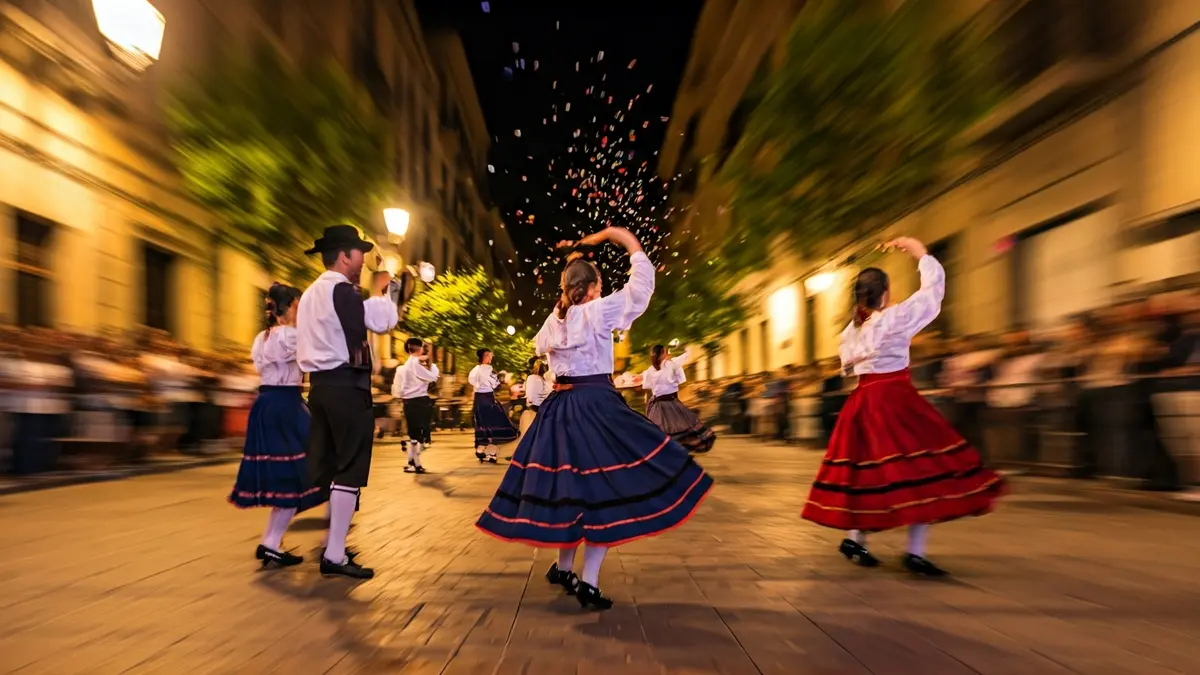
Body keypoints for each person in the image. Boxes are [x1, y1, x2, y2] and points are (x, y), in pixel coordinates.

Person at [476, 226, 713, 610]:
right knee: (606, 492)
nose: (603, 290)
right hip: (596, 406)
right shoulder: (597, 311)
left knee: (571, 490)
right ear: (590, 289)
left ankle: (563, 568)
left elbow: (544, 340)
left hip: (559, 409)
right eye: (600, 285)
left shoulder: (554, 321)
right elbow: (641, 288)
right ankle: (587, 581)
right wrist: (622, 238)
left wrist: (571, 279)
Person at [801, 237, 1004, 577]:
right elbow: (932, 292)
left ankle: (856, 540)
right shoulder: (895, 317)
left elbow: (848, 367)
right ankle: (915, 552)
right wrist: (919, 251)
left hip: (862, 403)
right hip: (895, 400)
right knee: (919, 471)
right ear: (885, 292)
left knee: (866, 473)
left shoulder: (850, 330)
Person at [297, 225, 398, 580]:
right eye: (359, 253)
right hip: (345, 385)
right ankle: (335, 553)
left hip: (320, 388)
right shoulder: (342, 292)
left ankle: (332, 543)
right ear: (344, 256)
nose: (363, 259)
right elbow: (384, 320)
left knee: (333, 467)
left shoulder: (310, 294)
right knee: (350, 467)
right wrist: (389, 289)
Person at [229, 283, 325, 567]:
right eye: (300, 303)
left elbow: (263, 367)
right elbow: (315, 359)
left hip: (268, 404)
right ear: (293, 304)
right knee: (301, 473)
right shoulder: (292, 336)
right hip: (285, 406)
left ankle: (270, 541)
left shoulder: (262, 337)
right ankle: (273, 542)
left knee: (291, 476)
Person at [643, 345, 716, 453]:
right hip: (668, 404)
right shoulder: (671, 365)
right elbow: (684, 359)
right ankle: (671, 451)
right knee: (677, 427)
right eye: (665, 352)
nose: (668, 353)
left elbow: (647, 385)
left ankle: (665, 452)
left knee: (662, 430)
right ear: (662, 354)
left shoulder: (652, 369)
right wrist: (686, 350)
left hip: (659, 405)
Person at [392, 337, 439, 474]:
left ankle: (412, 462)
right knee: (420, 434)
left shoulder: (405, 366)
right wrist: (434, 367)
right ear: (419, 349)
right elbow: (432, 377)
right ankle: (415, 463)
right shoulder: (415, 365)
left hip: (409, 401)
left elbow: (398, 389)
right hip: (419, 401)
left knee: (414, 432)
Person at [468, 348, 519, 463]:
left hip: (479, 399)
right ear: (484, 357)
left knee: (481, 425)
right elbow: (495, 383)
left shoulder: (474, 370)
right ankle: (491, 453)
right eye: (489, 356)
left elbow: (473, 382)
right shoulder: (489, 370)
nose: (490, 358)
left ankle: (481, 449)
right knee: (494, 424)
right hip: (488, 398)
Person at [518, 358, 549, 442]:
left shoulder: (530, 377)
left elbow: (527, 390)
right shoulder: (543, 379)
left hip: (531, 404)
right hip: (540, 405)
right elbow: (546, 392)